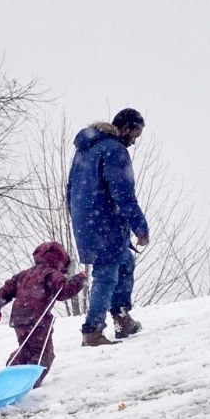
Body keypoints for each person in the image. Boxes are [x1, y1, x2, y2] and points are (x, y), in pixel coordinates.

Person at [66, 108, 149, 346]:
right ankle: (92, 330)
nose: (133, 141)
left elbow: (70, 188)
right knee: (106, 272)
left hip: (86, 221)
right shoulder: (114, 150)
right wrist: (140, 226)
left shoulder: (84, 150)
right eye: (135, 135)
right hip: (105, 221)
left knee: (124, 263)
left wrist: (77, 218)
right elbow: (123, 194)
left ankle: (121, 317)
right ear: (126, 128)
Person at [0, 241, 87, 388]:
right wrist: (80, 279)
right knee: (43, 352)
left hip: (19, 317)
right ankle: (30, 382)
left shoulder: (24, 274)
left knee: (26, 348)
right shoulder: (53, 274)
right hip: (37, 316)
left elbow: (6, 290)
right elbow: (63, 292)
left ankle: (12, 372)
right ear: (60, 260)